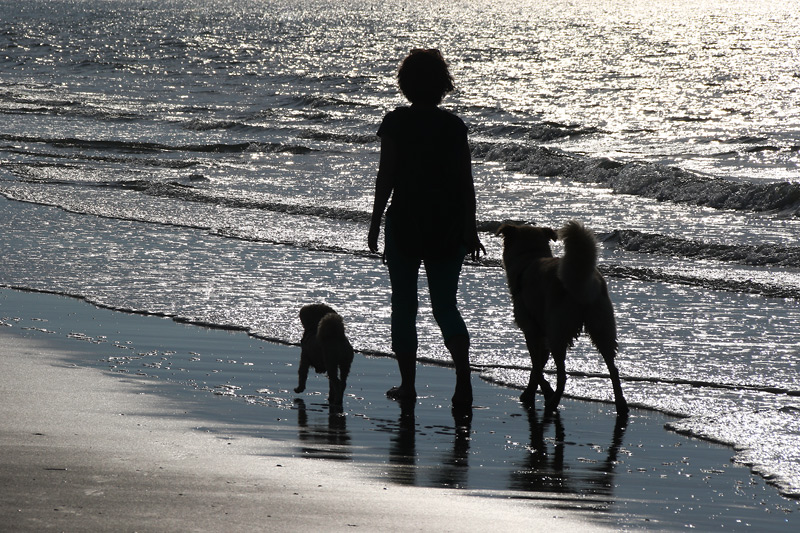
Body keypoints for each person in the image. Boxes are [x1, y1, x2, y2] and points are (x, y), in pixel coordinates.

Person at [368, 49, 485, 407]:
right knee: (445, 307)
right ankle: (463, 381)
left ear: (406, 84)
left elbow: (386, 177)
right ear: (441, 84)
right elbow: (466, 183)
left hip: (405, 223)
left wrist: (374, 224)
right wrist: (470, 228)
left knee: (404, 307)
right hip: (447, 226)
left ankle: (408, 385)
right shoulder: (452, 126)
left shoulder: (396, 122)